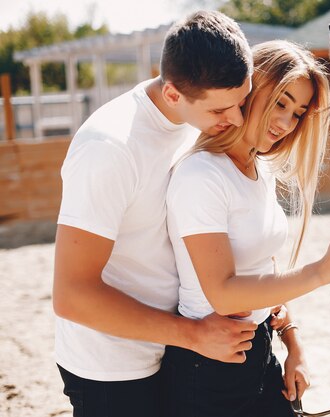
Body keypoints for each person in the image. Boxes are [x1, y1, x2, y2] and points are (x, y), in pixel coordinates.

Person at [163, 40, 330, 417]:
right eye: (281, 103)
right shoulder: (200, 175)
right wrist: (321, 271)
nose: (286, 123)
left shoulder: (259, 170)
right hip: (208, 370)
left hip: (260, 350)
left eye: (298, 113)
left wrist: (293, 345)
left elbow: (263, 273)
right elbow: (223, 294)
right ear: (252, 87)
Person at [52, 11, 260, 417]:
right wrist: (195, 335)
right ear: (172, 95)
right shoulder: (109, 148)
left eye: (242, 101)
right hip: (113, 367)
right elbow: (71, 295)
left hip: (179, 348)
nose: (235, 119)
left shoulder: (196, 118)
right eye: (221, 110)